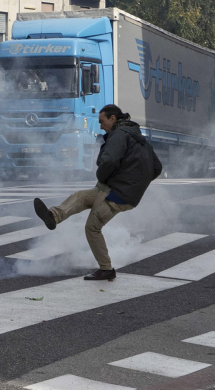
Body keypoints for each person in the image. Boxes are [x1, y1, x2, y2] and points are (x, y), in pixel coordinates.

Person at [32, 104, 162, 281]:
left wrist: (107, 177)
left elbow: (109, 161)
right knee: (81, 197)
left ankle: (106, 269)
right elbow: (157, 168)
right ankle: (53, 216)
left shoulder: (119, 134)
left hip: (117, 194)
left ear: (112, 119)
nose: (101, 126)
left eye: (102, 121)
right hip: (115, 190)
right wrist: (135, 183)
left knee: (92, 228)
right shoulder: (139, 139)